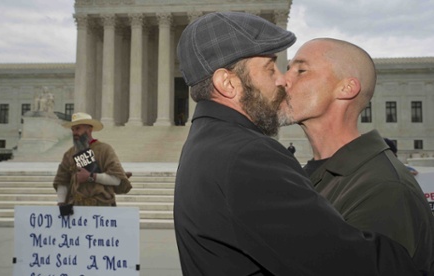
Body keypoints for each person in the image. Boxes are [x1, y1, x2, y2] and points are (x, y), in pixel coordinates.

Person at [174, 12, 421, 276]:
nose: (283, 80)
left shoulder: (205, 145)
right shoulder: (247, 156)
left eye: (299, 70)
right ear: (227, 83)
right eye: (270, 69)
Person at [279, 38, 434, 274]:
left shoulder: (386, 190)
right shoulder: (308, 176)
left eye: (301, 70)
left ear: (346, 88)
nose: (282, 80)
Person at [53, 112, 131, 206]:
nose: (74, 133)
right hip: (76, 207)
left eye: (78, 128)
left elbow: (117, 180)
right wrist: (61, 203)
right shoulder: (69, 154)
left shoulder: (105, 150)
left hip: (101, 206)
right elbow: (62, 181)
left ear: (89, 129)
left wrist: (91, 176)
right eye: (73, 129)